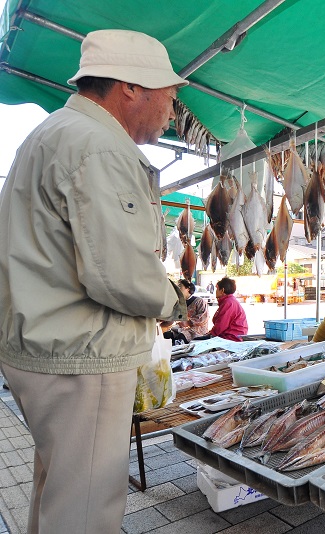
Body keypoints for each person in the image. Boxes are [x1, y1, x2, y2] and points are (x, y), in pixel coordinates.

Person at [0, 29, 187, 533]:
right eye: (168, 95)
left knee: (58, 492)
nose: (173, 106)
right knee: (86, 509)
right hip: (81, 355)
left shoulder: (58, 134)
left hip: (49, 347)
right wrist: (176, 304)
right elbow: (119, 274)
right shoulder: (98, 147)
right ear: (130, 87)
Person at [164, 279, 210, 344]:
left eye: (180, 286)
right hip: (181, 329)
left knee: (180, 338)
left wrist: (188, 322)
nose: (177, 289)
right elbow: (173, 317)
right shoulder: (179, 303)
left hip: (197, 331)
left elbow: (203, 318)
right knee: (166, 335)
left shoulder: (199, 301)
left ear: (188, 289)